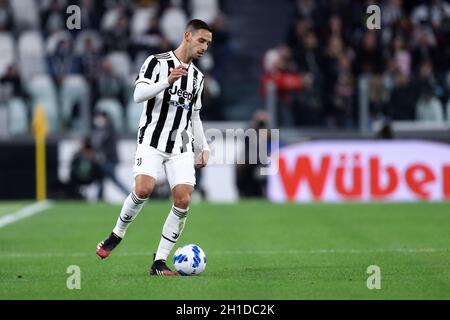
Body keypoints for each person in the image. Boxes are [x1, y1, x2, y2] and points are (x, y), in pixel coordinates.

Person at [96, 19, 212, 276]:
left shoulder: (197, 78)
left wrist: (202, 147)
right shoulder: (156, 62)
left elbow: (194, 116)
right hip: (151, 140)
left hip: (180, 145)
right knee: (144, 189)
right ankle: (117, 234)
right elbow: (138, 95)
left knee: (183, 199)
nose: (205, 47)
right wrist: (167, 82)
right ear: (187, 36)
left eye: (208, 43)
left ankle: (159, 262)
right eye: (201, 41)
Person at [91, 111, 129, 200]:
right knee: (102, 178)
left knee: (113, 179)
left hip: (109, 159)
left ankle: (130, 196)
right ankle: (99, 197)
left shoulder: (108, 128)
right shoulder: (106, 129)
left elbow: (99, 142)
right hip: (107, 159)